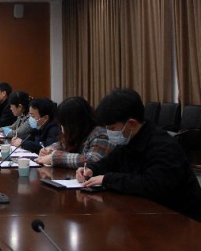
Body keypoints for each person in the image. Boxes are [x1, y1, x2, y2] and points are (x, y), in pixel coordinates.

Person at [77, 89, 201, 221]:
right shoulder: (129, 139)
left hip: (180, 219)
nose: (108, 133)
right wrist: (91, 169)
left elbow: (152, 185)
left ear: (131, 123)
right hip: (146, 213)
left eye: (112, 128)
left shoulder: (164, 146)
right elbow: (110, 162)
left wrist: (108, 179)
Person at [36, 97, 114, 168]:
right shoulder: (79, 132)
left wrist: (54, 157)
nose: (62, 128)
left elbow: (92, 160)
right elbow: (62, 144)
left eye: (64, 124)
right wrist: (49, 150)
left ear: (75, 123)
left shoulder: (101, 135)